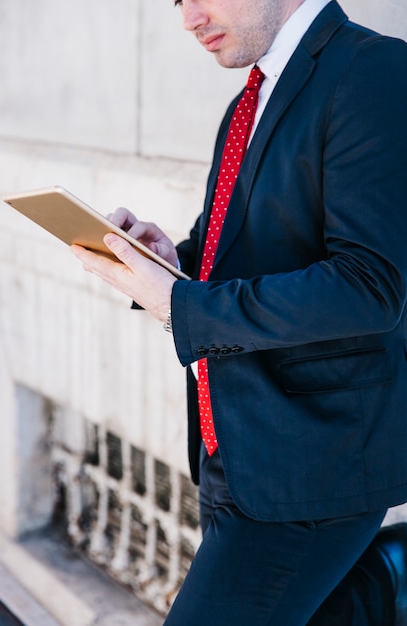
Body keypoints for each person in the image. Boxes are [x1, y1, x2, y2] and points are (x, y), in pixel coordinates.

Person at [71, 0, 407, 623]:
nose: (188, 19)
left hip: (311, 468)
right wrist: (171, 258)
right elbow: (241, 251)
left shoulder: (375, 70)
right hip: (236, 447)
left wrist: (180, 305)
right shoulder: (248, 100)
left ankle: (388, 581)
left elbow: (370, 286)